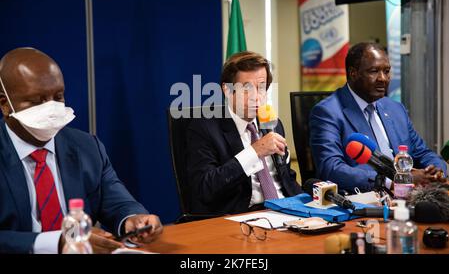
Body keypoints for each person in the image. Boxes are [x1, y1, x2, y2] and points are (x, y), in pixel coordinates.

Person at [0, 47, 163, 254]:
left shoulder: (86, 146)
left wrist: (133, 220)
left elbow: (117, 203)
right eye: (36, 100)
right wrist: (57, 243)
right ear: (5, 105)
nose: (50, 108)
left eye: (58, 97)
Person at [309, 42, 447, 193]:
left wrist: (436, 172)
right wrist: (393, 182)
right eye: (374, 71)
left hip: (412, 196)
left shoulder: (395, 109)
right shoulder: (327, 112)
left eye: (386, 71)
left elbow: (424, 153)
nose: (383, 78)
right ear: (353, 73)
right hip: (367, 199)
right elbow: (331, 168)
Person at [186, 51, 302, 215]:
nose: (256, 97)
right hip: (242, 217)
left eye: (261, 88)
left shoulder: (272, 123)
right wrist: (254, 152)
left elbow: (286, 178)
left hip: (287, 210)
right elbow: (205, 188)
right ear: (227, 90)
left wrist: (308, 206)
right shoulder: (204, 128)